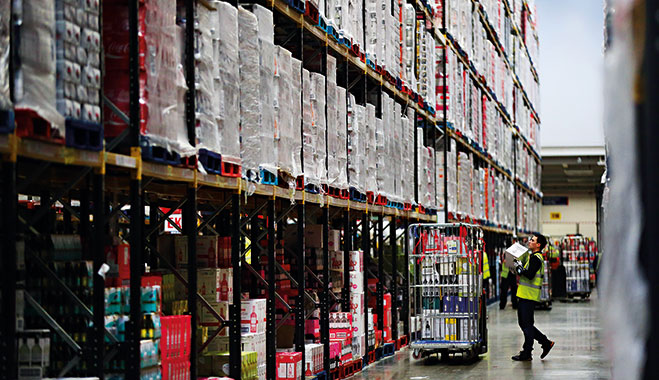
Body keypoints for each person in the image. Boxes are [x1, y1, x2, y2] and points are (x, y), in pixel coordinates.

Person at [511, 233, 555, 361]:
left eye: (532, 240)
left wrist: (519, 267)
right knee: (526, 324)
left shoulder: (536, 258)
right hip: (526, 295)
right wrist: (518, 267)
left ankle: (528, 352)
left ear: (538, 245)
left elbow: (529, 275)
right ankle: (545, 343)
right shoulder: (533, 257)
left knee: (526, 324)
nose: (530, 242)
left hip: (528, 296)